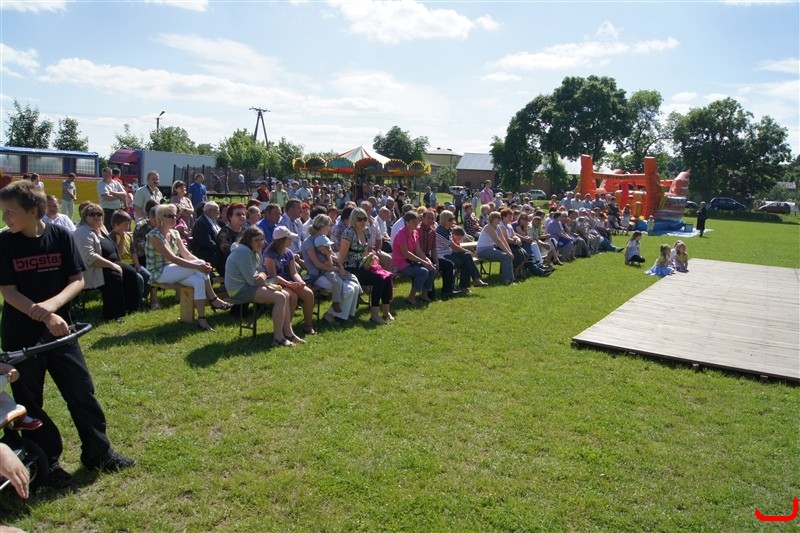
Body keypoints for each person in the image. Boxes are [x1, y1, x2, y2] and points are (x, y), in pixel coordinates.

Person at [0, 180, 135, 488]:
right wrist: (45, 314)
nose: (5, 218)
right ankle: (48, 462)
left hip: (62, 333)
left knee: (81, 391)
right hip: (22, 337)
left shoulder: (60, 235)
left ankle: (98, 452)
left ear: (33, 211)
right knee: (30, 403)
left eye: (10, 212)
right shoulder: (5, 242)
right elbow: (9, 292)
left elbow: (77, 280)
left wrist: (52, 308)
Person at [146, 204, 232, 331]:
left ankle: (201, 319)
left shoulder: (175, 233)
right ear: (160, 218)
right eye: (169, 215)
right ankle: (214, 298)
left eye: (175, 215)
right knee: (199, 267)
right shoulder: (154, 236)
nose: (174, 218)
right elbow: (173, 258)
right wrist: (199, 265)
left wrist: (202, 263)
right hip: (159, 272)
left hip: (174, 270)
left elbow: (186, 254)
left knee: (199, 281)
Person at [224, 226, 299, 347]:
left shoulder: (255, 252)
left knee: (284, 295)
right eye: (256, 240)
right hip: (239, 289)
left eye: (262, 239)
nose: (260, 243)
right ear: (248, 240)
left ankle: (289, 333)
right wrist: (263, 276)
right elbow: (253, 281)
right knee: (280, 297)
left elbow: (261, 274)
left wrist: (263, 275)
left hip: (248, 286)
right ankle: (278, 338)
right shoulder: (243, 252)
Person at [73, 203, 142, 319]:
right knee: (114, 277)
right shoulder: (82, 232)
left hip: (109, 264)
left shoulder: (101, 228)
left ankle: (132, 307)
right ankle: (113, 314)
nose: (97, 217)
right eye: (92, 214)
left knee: (130, 273)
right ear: (85, 217)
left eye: (99, 214)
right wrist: (112, 265)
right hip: (93, 269)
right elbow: (90, 257)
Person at [300, 214, 361, 323]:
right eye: (329, 225)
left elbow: (333, 256)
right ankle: (330, 315)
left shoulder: (324, 239)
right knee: (347, 289)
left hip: (330, 271)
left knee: (354, 286)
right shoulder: (309, 242)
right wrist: (336, 269)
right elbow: (318, 265)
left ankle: (344, 316)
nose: (330, 228)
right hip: (317, 275)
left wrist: (340, 267)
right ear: (323, 226)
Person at [339, 207, 395, 324]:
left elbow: (364, 252)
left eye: (365, 219)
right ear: (353, 219)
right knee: (379, 278)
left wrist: (371, 257)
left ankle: (386, 311)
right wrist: (340, 270)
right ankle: (374, 314)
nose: (363, 221)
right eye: (359, 219)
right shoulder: (348, 233)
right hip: (350, 268)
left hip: (363, 265)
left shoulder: (366, 231)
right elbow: (342, 256)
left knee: (387, 276)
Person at [263, 226, 315, 337]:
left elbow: (294, 272)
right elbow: (273, 277)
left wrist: (300, 281)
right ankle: (287, 329)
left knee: (309, 294)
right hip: (277, 284)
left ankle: (308, 325)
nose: (292, 240)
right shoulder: (269, 255)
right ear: (282, 240)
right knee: (292, 296)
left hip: (290, 282)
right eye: (289, 238)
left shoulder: (289, 253)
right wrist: (290, 285)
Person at [435, 210, 487, 290]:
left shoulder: (447, 230)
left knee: (467, 256)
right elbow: (453, 246)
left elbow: (453, 246)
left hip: (449, 252)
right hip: (442, 255)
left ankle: (474, 280)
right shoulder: (440, 231)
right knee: (466, 260)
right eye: (451, 219)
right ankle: (467, 285)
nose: (453, 220)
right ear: (445, 220)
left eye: (453, 218)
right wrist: (467, 251)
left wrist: (467, 252)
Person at [110, 210, 152, 308]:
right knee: (139, 279)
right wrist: (122, 239)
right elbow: (118, 254)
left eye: (129, 224)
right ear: (116, 224)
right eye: (125, 224)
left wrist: (137, 264)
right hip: (122, 265)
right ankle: (137, 302)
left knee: (148, 276)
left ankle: (142, 297)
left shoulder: (129, 236)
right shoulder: (112, 237)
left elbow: (133, 252)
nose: (128, 227)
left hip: (132, 263)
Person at [392, 211, 436, 305]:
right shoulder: (401, 234)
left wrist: (427, 260)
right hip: (401, 263)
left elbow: (418, 250)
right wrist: (423, 262)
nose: (416, 223)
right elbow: (406, 253)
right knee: (423, 272)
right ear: (406, 222)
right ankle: (411, 297)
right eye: (413, 221)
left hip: (411, 262)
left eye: (417, 221)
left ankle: (424, 294)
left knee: (432, 269)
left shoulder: (415, 232)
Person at [476, 211, 516, 285]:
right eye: (498, 218)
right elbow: (497, 241)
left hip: (490, 248)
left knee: (508, 256)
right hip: (483, 250)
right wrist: (508, 253)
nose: (500, 219)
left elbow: (503, 240)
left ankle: (511, 280)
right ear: (493, 218)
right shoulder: (488, 227)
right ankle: (507, 280)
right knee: (506, 257)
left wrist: (510, 252)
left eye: (500, 218)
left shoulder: (497, 227)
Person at [191, 201, 224, 274]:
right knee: (225, 258)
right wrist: (221, 249)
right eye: (217, 211)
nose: (218, 213)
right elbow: (207, 242)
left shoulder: (212, 221)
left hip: (213, 250)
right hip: (205, 252)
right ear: (209, 211)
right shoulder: (201, 223)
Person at [216, 202, 247, 276]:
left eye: (243, 214)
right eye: (238, 214)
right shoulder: (224, 233)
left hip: (244, 263)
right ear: (230, 217)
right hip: (228, 266)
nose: (242, 217)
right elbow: (228, 254)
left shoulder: (245, 231)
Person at [96, 167, 127, 231]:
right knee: (108, 230)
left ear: (111, 174)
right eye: (103, 175)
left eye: (106, 175)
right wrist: (119, 196)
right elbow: (107, 198)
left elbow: (124, 194)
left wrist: (113, 193)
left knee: (118, 229)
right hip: (107, 211)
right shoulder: (101, 184)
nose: (104, 177)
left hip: (118, 210)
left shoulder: (116, 183)